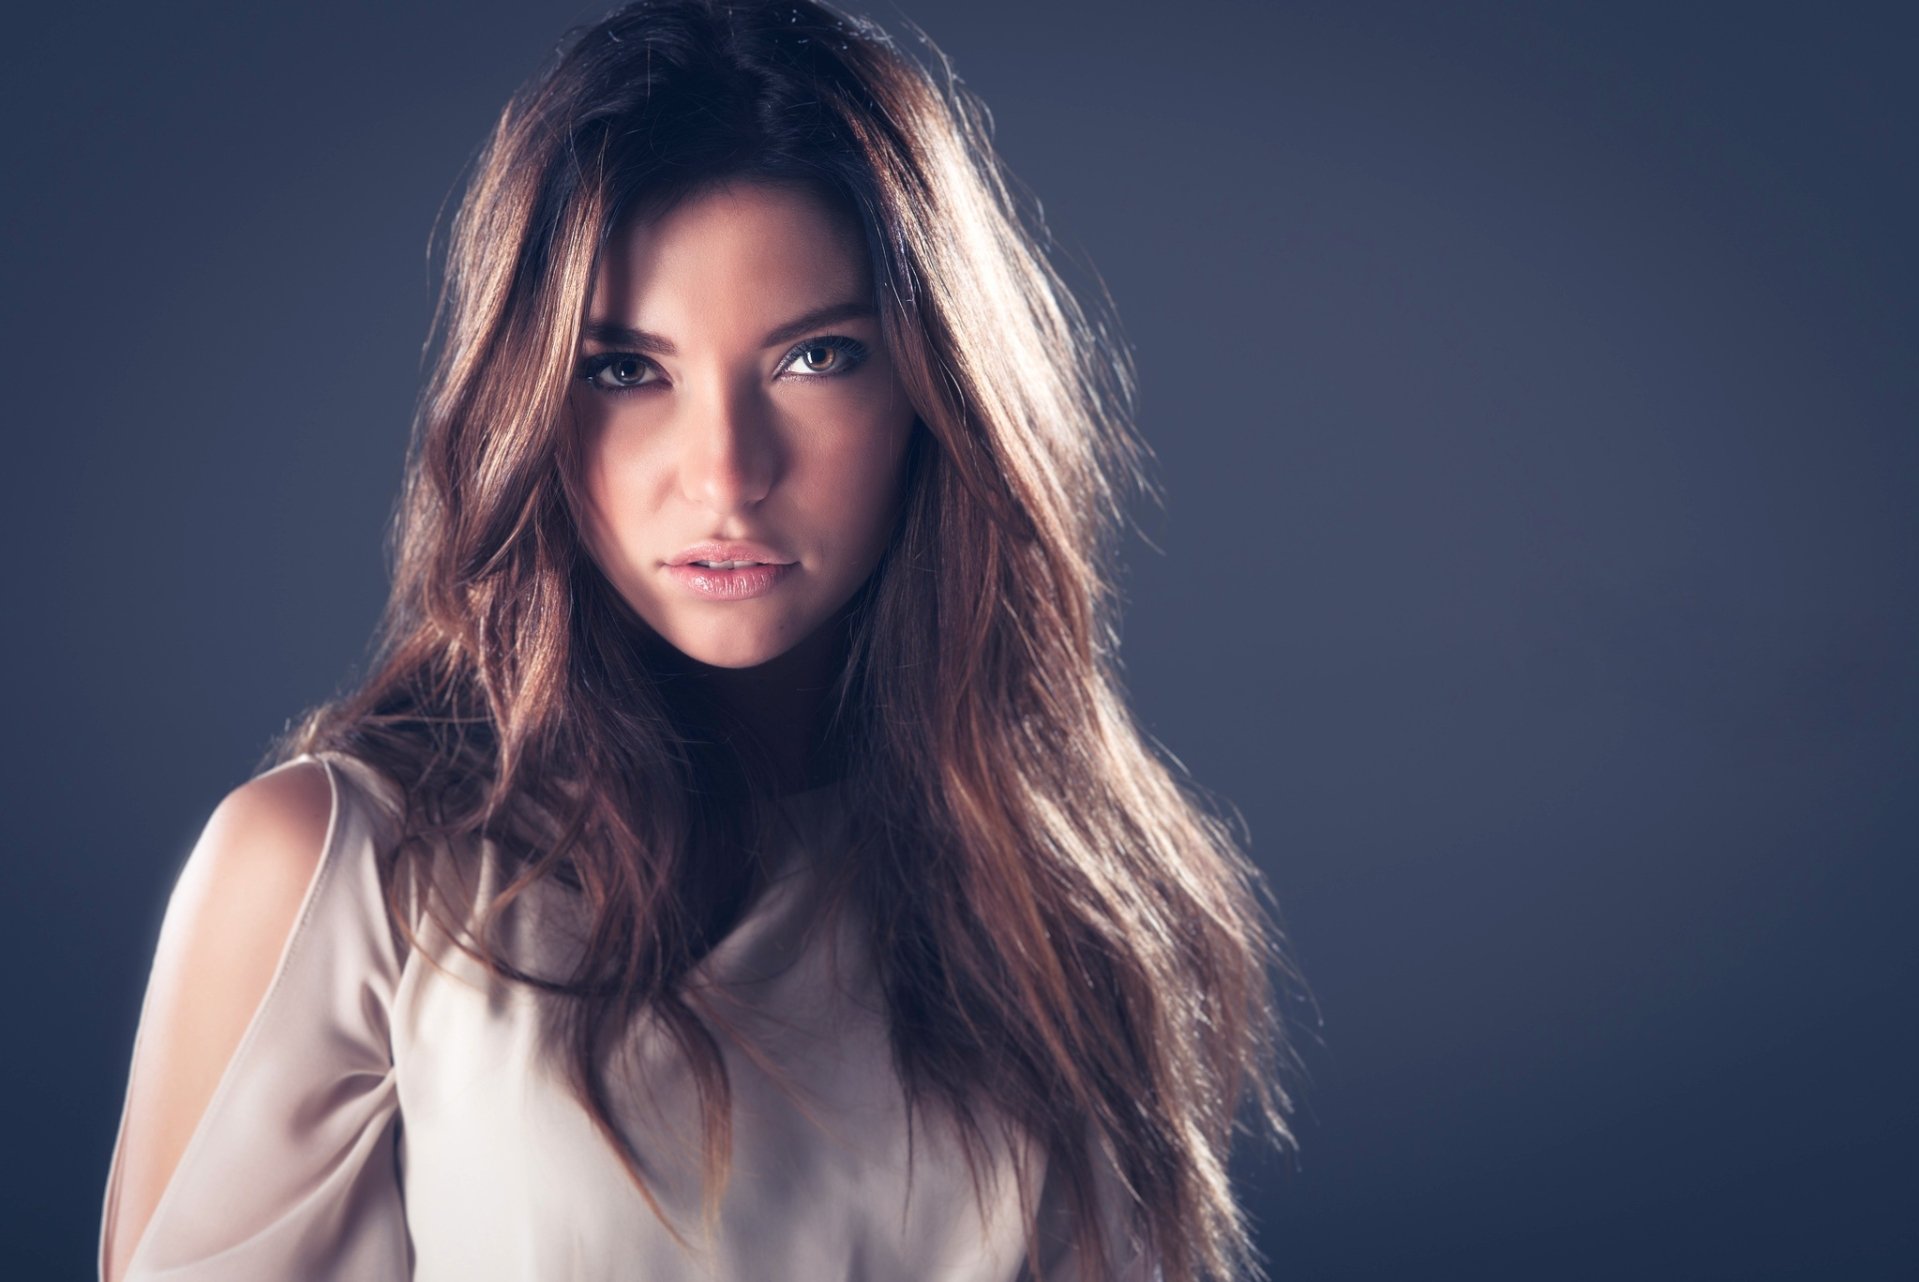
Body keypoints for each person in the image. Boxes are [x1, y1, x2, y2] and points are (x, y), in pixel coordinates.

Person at [98, 1, 1298, 1279]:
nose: (725, 476)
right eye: (627, 370)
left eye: (816, 356)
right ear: (526, 401)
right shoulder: (340, 874)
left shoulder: (1063, 901)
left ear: (936, 390)